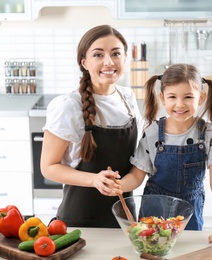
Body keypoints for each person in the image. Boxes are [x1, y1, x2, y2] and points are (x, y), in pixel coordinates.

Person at [113, 63, 212, 245]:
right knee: (151, 252)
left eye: (188, 97)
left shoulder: (210, 135)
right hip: (153, 211)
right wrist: (118, 185)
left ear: (201, 98)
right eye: (172, 97)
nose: (179, 104)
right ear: (163, 98)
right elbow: (136, 176)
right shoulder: (153, 133)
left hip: (188, 215)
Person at [40, 24, 143, 228]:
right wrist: (94, 180)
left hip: (124, 218)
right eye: (98, 55)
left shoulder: (128, 98)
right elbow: (48, 167)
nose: (108, 62)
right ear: (84, 62)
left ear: (125, 58)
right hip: (80, 220)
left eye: (116, 53)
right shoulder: (69, 106)